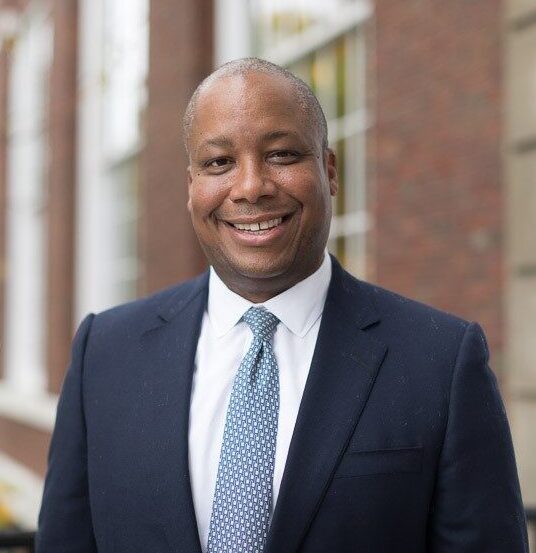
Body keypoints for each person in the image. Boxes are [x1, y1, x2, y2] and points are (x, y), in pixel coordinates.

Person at [37, 58, 529, 553]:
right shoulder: (105, 354)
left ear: (329, 171)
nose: (251, 186)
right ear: (192, 186)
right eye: (218, 163)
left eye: (282, 155)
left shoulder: (440, 360)